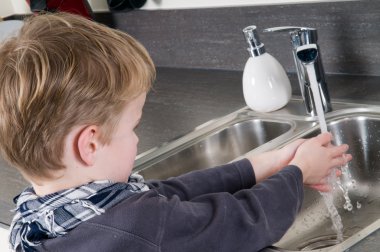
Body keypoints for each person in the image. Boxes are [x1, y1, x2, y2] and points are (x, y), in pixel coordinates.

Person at [0, 12, 352, 252]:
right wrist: (298, 173)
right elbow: (242, 221)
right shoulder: (137, 225)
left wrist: (266, 164)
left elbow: (168, 194)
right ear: (90, 143)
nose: (137, 138)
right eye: (133, 126)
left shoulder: (40, 216)